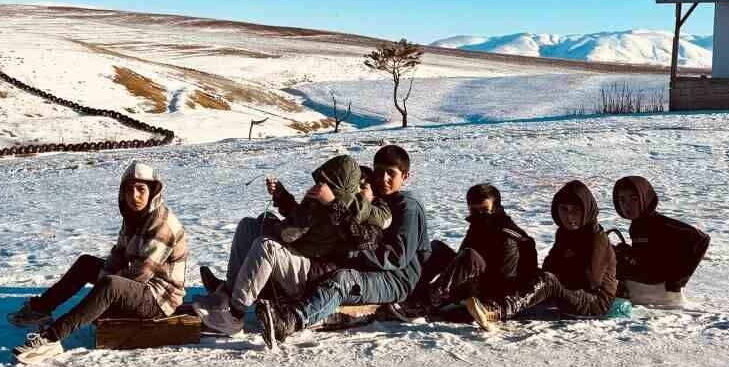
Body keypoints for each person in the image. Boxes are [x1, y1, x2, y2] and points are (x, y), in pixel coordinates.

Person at [8, 161, 188, 365]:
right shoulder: (134, 216)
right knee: (87, 264)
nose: (134, 196)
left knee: (111, 286)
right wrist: (101, 288)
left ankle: (51, 339)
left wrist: (102, 293)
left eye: (141, 189)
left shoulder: (161, 225)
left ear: (153, 191)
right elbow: (118, 254)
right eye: (129, 190)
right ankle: (40, 310)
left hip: (159, 299)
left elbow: (140, 275)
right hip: (140, 288)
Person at [194, 154, 388, 337]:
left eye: (364, 187)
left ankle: (235, 315)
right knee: (249, 226)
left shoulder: (370, 223)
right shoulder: (335, 204)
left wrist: (332, 205)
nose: (359, 191)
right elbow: (304, 222)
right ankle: (228, 293)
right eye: (357, 185)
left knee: (266, 246)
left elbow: (358, 238)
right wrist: (283, 197)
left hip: (317, 276)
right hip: (302, 259)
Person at [256, 145, 428, 348]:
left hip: (396, 279)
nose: (383, 178)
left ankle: (290, 320)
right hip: (368, 268)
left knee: (344, 279)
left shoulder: (407, 206)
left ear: (405, 176)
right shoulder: (368, 195)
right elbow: (319, 219)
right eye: (379, 171)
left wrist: (349, 252)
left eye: (391, 173)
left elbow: (396, 257)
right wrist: (284, 198)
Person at [465, 180, 615, 330]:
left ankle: (494, 311)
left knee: (548, 281)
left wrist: (560, 273)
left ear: (586, 210)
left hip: (594, 303)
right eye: (564, 209)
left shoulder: (596, 238)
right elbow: (550, 265)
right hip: (569, 295)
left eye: (576, 210)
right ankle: (481, 303)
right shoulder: (564, 234)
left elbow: (589, 281)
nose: (569, 216)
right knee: (533, 277)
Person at [403, 182, 537, 317]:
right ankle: (410, 292)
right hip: (477, 282)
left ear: (496, 207)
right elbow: (460, 258)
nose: (479, 214)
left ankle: (424, 304)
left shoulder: (507, 235)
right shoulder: (480, 224)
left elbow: (503, 280)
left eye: (484, 209)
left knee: (470, 257)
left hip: (497, 294)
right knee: (437, 248)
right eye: (474, 210)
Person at [611, 175, 710, 306]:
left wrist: (676, 282)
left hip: (658, 288)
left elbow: (701, 239)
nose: (627, 205)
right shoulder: (637, 225)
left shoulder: (658, 223)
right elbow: (649, 252)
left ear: (645, 198)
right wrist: (629, 251)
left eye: (634, 199)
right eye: (622, 200)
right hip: (645, 279)